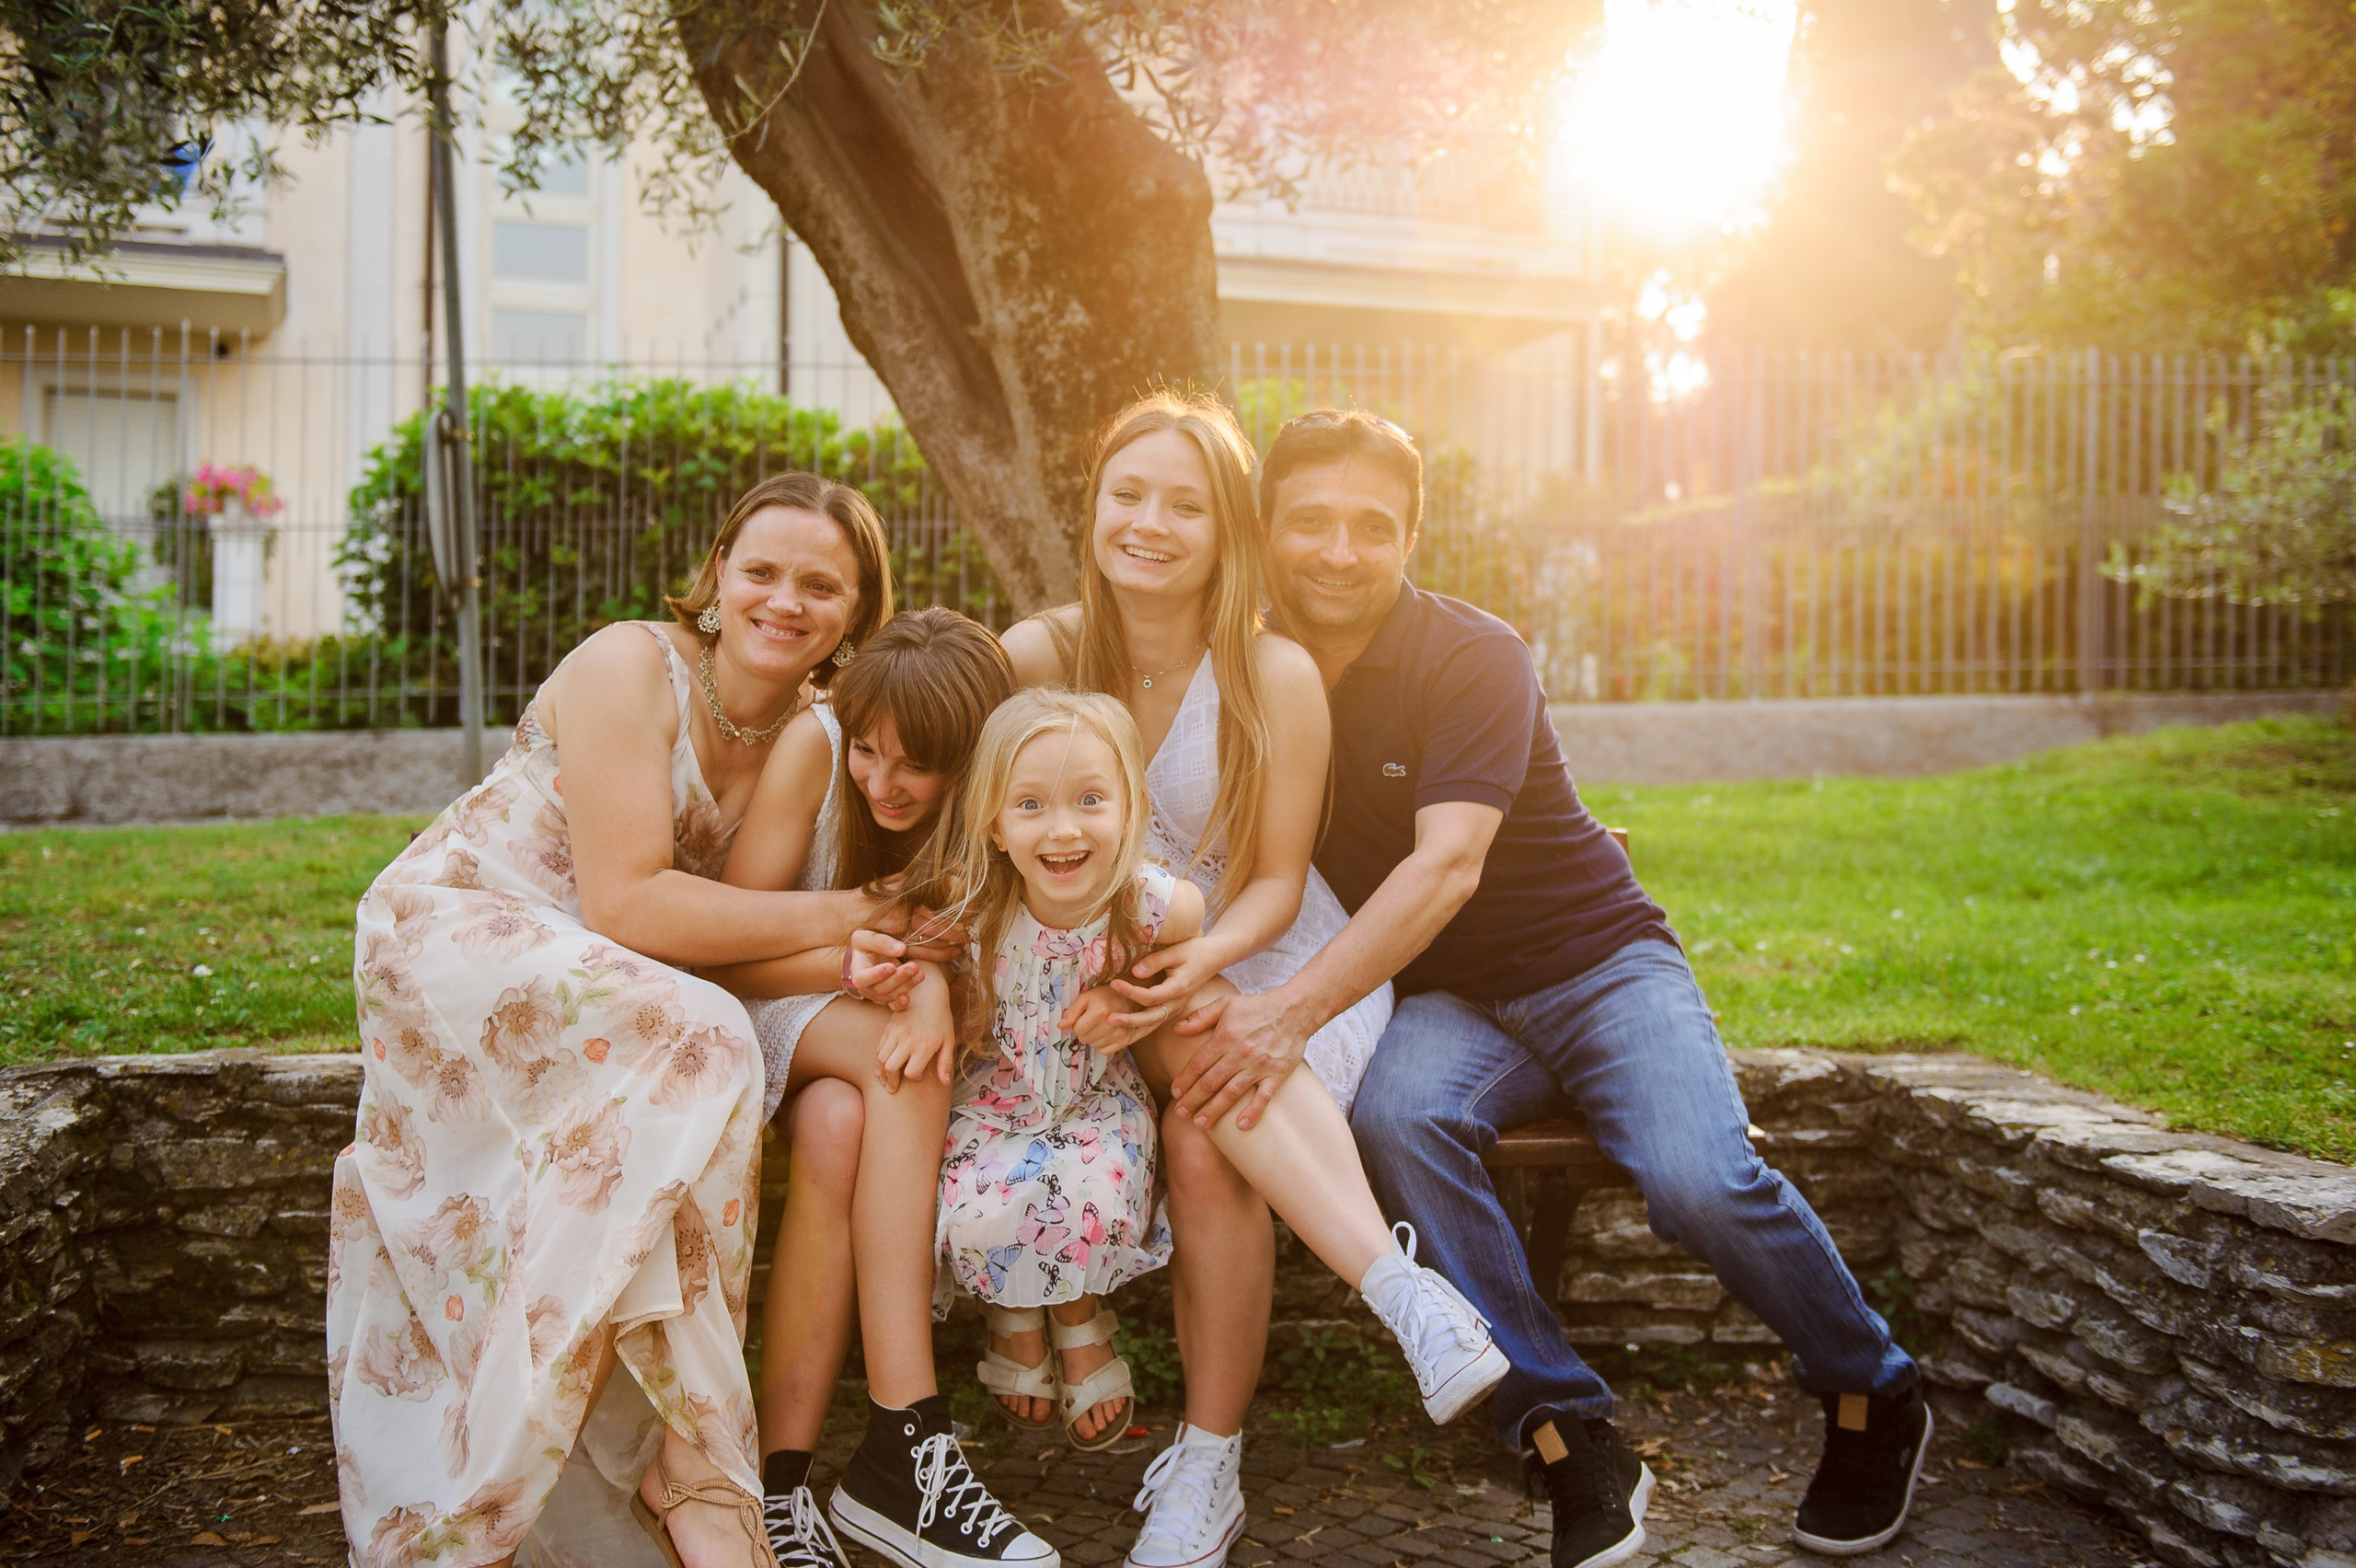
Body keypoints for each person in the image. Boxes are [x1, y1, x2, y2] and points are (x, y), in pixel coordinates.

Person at [1169, 409, 1929, 1568]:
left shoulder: (1471, 655)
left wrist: (1285, 1015)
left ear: (1411, 537)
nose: (1338, 550)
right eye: (1310, 522)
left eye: (1372, 527)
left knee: (1696, 1178)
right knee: (1398, 1119)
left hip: (1597, 963)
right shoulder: (1254, 672)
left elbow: (1448, 865)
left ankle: (1872, 1388)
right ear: (1264, 530)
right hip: (1449, 1005)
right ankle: (1570, 1437)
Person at [328, 472, 895, 1568]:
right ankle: (701, 1473)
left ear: (855, 615)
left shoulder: (821, 736)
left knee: (680, 1084)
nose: (786, 600)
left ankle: (686, 1463)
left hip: (616, 978)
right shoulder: (629, 664)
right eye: (762, 571)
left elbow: (724, 942)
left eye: (820, 585)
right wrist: (858, 914)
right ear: (718, 578)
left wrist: (865, 958)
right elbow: (630, 901)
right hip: (464, 931)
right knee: (710, 1039)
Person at [1003, 393, 1509, 1568]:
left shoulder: (1270, 671)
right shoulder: (1036, 655)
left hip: (1258, 958)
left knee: (1202, 1114)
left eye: (1186, 504)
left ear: (1226, 528)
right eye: (1127, 495)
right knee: (1196, 1066)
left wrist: (1204, 961)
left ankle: (1209, 1468)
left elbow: (1278, 883)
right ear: (1092, 512)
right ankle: (1402, 1291)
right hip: (1088, 982)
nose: (1150, 523)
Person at [707, 607, 1049, 1568]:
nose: (884, 782)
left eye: (915, 765)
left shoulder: (997, 795)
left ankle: (776, 1486)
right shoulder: (815, 753)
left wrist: (937, 979)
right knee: (904, 1065)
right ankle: (909, 1438)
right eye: (871, 751)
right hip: (777, 1001)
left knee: (837, 1125)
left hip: (855, 1049)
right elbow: (729, 951)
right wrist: (900, 984)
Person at [889, 687, 1194, 1452]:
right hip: (996, 1100)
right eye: (1029, 805)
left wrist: (1140, 971)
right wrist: (929, 998)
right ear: (993, 824)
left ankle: (1075, 1316)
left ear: (1132, 809)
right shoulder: (980, 906)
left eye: (1092, 799)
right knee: (978, 1200)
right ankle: (1017, 1314)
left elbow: (1194, 923)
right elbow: (910, 944)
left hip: (1096, 1102)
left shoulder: (1146, 907)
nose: (1063, 830)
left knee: (1087, 1191)